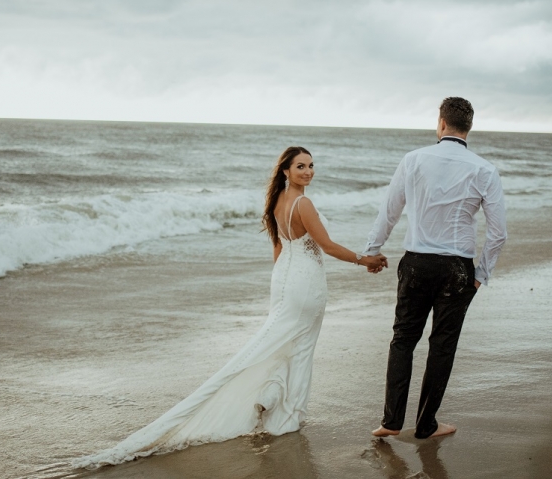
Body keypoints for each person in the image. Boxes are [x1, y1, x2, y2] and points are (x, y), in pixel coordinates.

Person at [72, 146, 387, 469]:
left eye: (311, 165)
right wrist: (366, 261)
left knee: (278, 344)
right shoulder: (303, 203)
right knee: (301, 348)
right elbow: (327, 245)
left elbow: (279, 248)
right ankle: (285, 417)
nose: (308, 171)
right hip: (304, 283)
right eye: (300, 166)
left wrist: (280, 287)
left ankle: (270, 400)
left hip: (285, 280)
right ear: (285, 171)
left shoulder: (276, 202)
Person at [365, 97, 507, 440]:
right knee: (442, 345)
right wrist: (479, 276)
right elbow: (498, 234)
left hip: (415, 263)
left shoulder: (413, 160)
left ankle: (391, 421)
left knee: (403, 340)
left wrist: (372, 250)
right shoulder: (484, 169)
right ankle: (426, 424)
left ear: (440, 122)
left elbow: (390, 211)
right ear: (468, 128)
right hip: (457, 269)